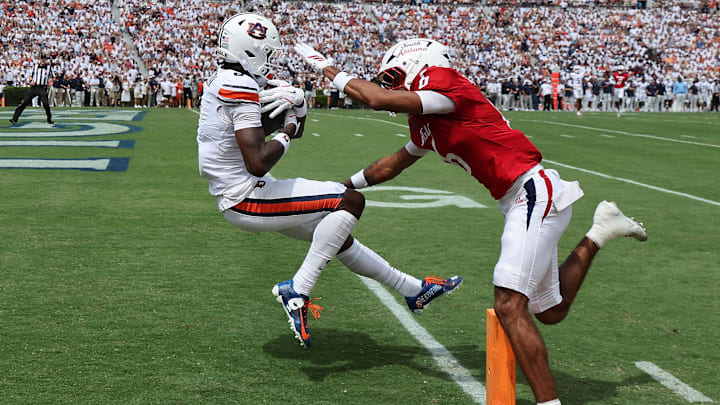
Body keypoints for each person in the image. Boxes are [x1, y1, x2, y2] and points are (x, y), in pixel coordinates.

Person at [295, 38, 648, 404]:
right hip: (518, 200)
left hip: (532, 190)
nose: (393, 86)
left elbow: (375, 99)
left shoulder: (446, 82)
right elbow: (394, 163)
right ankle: (601, 230)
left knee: (509, 305)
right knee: (551, 311)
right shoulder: (425, 121)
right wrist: (343, 186)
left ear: (420, 63)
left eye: (396, 76)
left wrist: (326, 67)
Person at [197, 15, 461, 349]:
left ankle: (413, 289)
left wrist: (295, 111)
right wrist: (288, 128)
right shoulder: (239, 84)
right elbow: (259, 161)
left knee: (336, 236)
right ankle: (299, 290)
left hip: (239, 191)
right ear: (250, 49)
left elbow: (252, 136)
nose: (270, 60)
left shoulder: (225, 79)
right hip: (245, 196)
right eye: (266, 52)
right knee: (349, 201)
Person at [9, 55, 54, 126]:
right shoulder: (35, 66)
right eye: (41, 59)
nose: (43, 60)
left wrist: (50, 80)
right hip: (34, 87)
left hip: (43, 88)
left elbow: (53, 77)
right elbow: (30, 75)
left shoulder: (49, 68)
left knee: (46, 104)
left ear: (46, 60)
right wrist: (31, 81)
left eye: (44, 59)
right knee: (24, 102)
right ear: (39, 59)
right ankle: (14, 119)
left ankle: (49, 118)